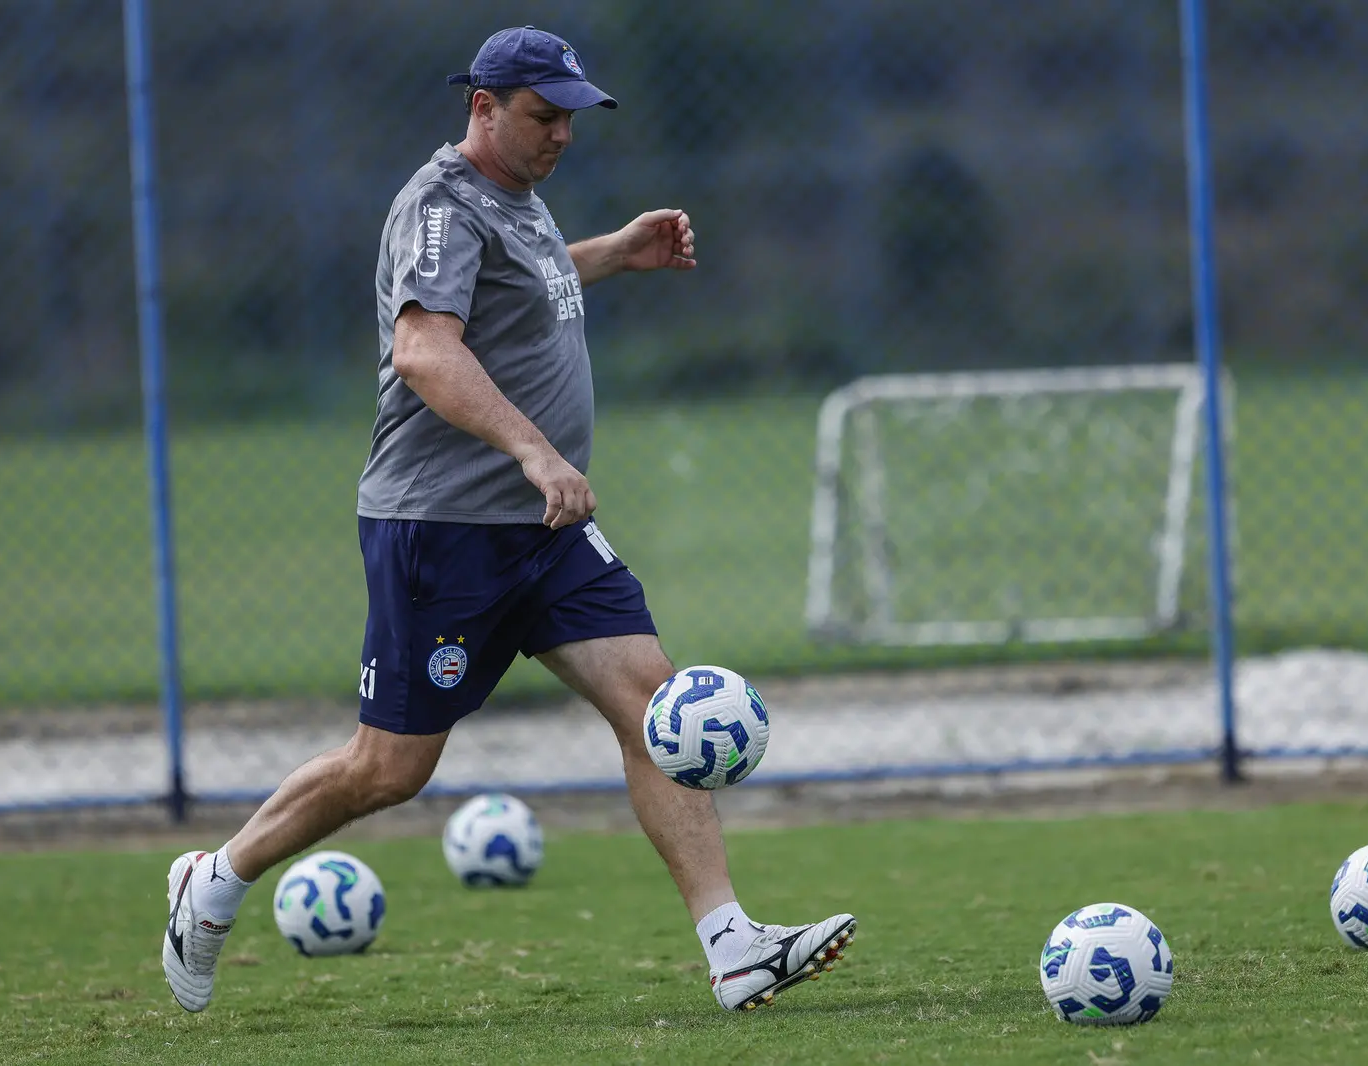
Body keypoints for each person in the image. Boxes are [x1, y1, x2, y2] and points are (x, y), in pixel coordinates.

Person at [162, 24, 855, 1015]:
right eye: (541, 116)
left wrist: (609, 255)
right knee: (390, 768)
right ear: (480, 107)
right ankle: (215, 879)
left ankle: (731, 943)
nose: (560, 135)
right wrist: (535, 450)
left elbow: (512, 293)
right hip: (444, 530)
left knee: (654, 706)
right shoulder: (437, 206)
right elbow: (425, 350)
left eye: (569, 117)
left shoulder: (516, 202)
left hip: (546, 529)